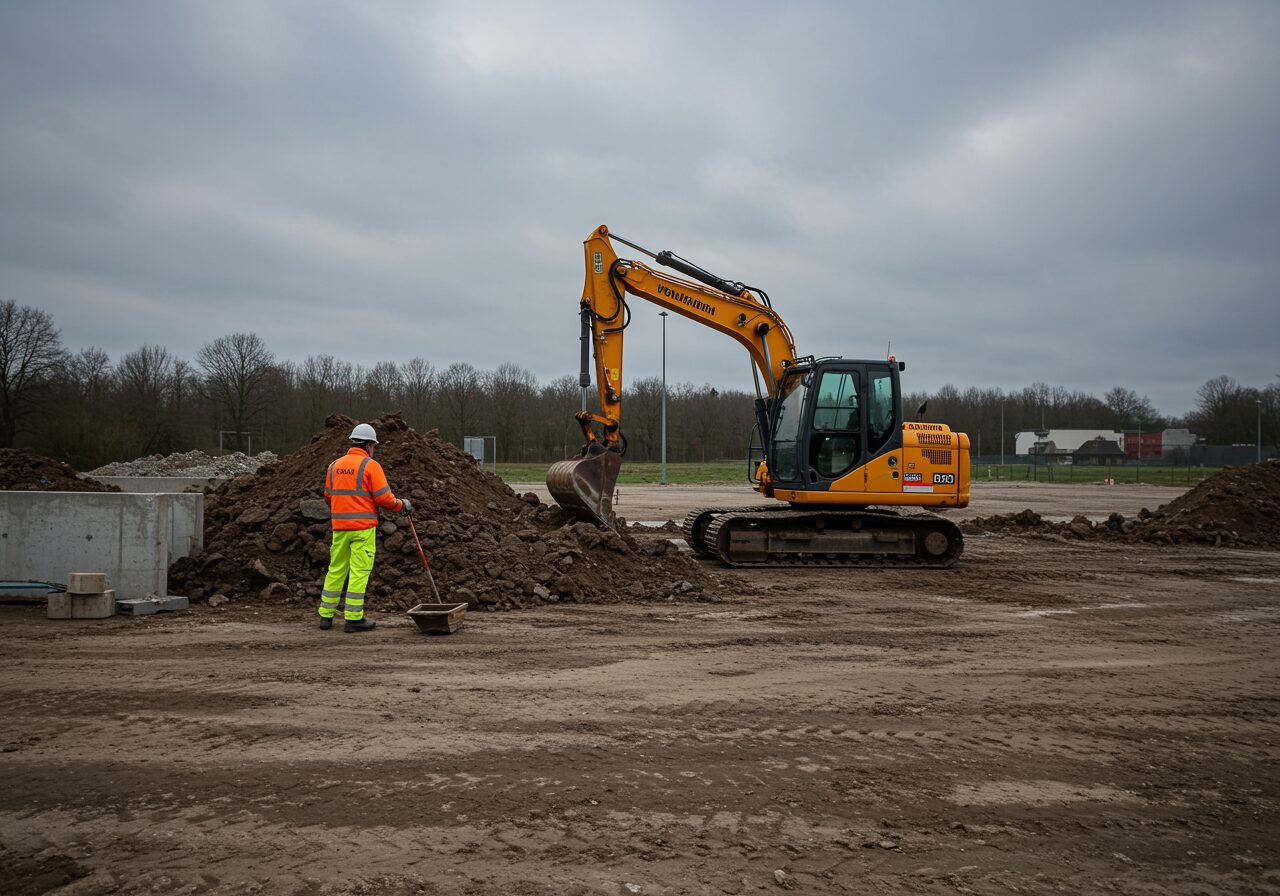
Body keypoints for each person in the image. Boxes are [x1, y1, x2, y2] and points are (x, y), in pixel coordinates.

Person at [318, 422, 412, 632]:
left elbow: (328, 497)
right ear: (369, 445)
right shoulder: (370, 466)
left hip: (340, 528)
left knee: (336, 569)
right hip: (362, 529)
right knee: (359, 571)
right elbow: (383, 498)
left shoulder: (333, 466)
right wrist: (401, 505)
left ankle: (326, 616)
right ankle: (353, 619)